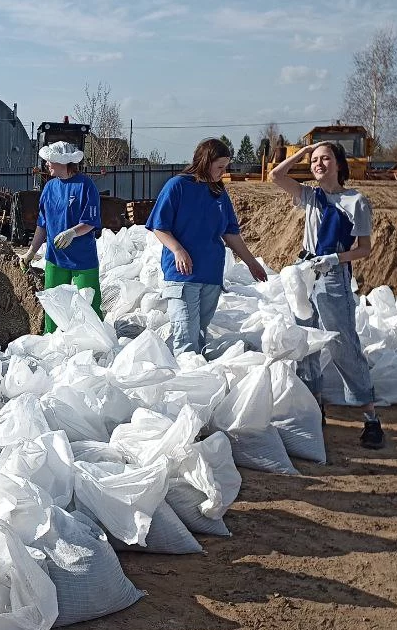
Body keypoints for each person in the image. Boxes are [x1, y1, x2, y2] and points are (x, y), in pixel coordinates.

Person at [270, 141, 384, 448]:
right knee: (305, 343)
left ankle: (371, 418)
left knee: (342, 343)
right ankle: (314, 409)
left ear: (339, 164)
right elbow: (276, 175)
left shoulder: (356, 201)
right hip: (304, 274)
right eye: (315, 160)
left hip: (332, 275)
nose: (319, 164)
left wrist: (335, 259)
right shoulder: (309, 196)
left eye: (325, 159)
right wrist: (303, 153)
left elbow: (364, 248)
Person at [147, 138, 268, 357]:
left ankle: (199, 381)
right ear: (205, 161)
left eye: (225, 167)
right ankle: (186, 383)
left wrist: (252, 263)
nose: (223, 172)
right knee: (185, 335)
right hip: (182, 275)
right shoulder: (178, 186)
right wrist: (177, 250)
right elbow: (159, 227)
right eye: (220, 167)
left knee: (199, 334)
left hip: (210, 274)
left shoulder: (218, 192)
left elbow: (230, 232)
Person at [17, 141, 102, 333]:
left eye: (50, 160)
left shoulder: (85, 186)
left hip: (83, 259)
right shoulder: (49, 188)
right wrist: (30, 252)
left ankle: (96, 345)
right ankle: (51, 341)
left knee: (89, 306)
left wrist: (72, 232)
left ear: (64, 162)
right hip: (55, 258)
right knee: (54, 306)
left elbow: (90, 221)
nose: (46, 163)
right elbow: (43, 224)